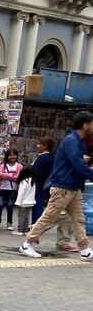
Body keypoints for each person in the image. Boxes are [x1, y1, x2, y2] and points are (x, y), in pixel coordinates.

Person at [20, 111, 93, 260]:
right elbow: (77, 163)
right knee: (49, 217)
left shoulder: (78, 141)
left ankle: (85, 249)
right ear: (86, 125)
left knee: (78, 219)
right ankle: (27, 243)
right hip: (63, 187)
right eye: (92, 124)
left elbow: (78, 161)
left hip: (73, 187)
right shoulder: (72, 140)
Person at [0, 149, 23, 230]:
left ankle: (9, 223)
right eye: (10, 155)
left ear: (16, 156)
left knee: (10, 206)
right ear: (7, 156)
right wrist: (12, 175)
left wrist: (6, 175)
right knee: (0, 205)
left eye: (14, 155)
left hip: (13, 190)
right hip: (2, 188)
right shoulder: (3, 165)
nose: (12, 157)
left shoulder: (19, 166)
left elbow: (18, 177)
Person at [12, 165, 36, 236]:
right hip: (30, 202)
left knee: (21, 216)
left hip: (23, 202)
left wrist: (18, 202)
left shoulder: (24, 182)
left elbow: (21, 193)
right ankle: (25, 230)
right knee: (26, 217)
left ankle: (20, 230)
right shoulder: (33, 181)